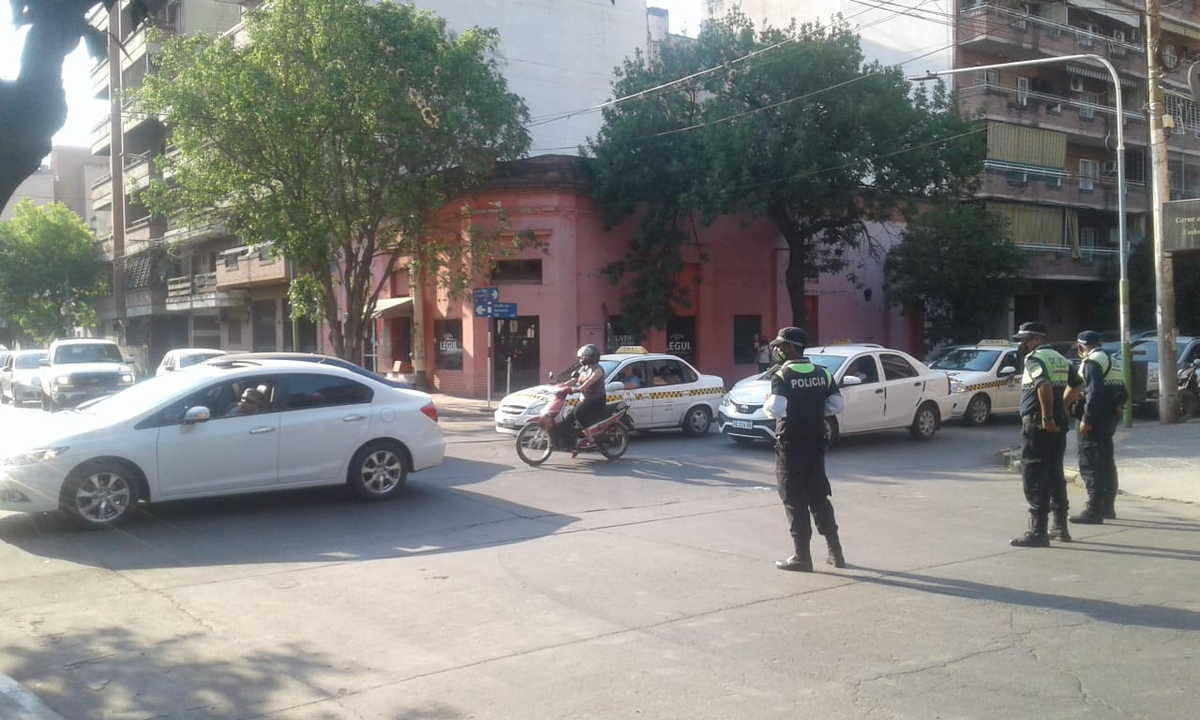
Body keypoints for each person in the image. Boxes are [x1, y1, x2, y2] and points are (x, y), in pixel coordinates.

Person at [762, 327, 847, 571]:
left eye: (781, 346)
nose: (777, 350)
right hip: (816, 442)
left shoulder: (782, 375)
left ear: (791, 347)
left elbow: (776, 409)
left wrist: (768, 401)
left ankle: (802, 557)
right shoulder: (823, 373)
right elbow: (837, 404)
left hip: (791, 445)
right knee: (819, 496)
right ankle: (835, 552)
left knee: (794, 499)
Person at [1010, 322, 1083, 547]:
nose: (1022, 344)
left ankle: (1037, 531)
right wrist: (1061, 407)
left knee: (1033, 473)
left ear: (1036, 339)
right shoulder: (1061, 359)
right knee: (1054, 473)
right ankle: (1060, 527)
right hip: (1057, 422)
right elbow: (1078, 384)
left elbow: (1043, 386)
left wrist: (1047, 416)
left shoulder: (1035, 359)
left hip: (1038, 424)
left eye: (1025, 339)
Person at [1069, 330, 1123, 524]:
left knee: (1090, 463)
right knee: (1107, 463)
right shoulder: (1111, 359)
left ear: (1081, 346)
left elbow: (1094, 393)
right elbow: (1123, 391)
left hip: (1095, 420)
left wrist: (1087, 419)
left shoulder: (1092, 362)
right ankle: (1107, 507)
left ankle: (1094, 510)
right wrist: (1118, 406)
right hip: (1108, 419)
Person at [567, 344, 607, 448]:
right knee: (568, 418)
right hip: (585, 399)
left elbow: (588, 382)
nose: (582, 359)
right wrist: (560, 386)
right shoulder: (583, 369)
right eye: (581, 357)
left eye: (585, 356)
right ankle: (571, 440)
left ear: (593, 357)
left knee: (578, 412)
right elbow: (573, 380)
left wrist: (577, 389)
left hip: (596, 400)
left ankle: (591, 440)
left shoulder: (598, 370)